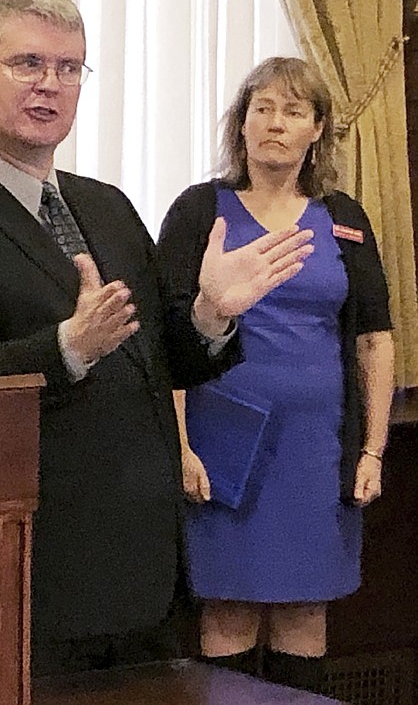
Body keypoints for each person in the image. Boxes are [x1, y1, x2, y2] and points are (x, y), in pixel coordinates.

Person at [0, 0, 314, 675]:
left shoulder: (106, 206)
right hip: (41, 573)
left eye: (69, 68)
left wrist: (211, 315)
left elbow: (160, 357)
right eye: (29, 64)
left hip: (149, 570)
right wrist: (64, 350)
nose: (51, 84)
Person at [158, 57, 393, 692]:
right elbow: (167, 338)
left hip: (319, 448)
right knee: (228, 609)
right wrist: (180, 445)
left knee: (305, 612)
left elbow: (375, 340)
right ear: (241, 123)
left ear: (317, 129)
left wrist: (373, 449)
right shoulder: (198, 210)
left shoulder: (344, 218)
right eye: (262, 109)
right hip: (222, 446)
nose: (275, 124)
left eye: (293, 112)